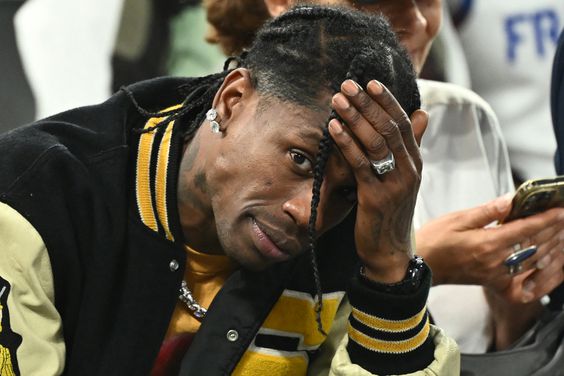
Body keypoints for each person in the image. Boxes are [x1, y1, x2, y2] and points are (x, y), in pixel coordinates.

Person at [0, 5, 459, 375]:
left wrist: (389, 267)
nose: (309, 215)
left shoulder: (360, 231)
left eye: (344, 193)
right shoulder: (35, 197)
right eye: (299, 159)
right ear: (232, 100)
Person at [202, 0, 564, 354]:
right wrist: (414, 264)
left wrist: (515, 291)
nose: (418, 23)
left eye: (428, 1)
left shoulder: (465, 117)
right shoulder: (227, 144)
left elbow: (508, 345)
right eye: (375, 2)